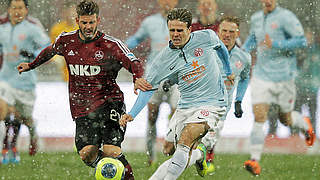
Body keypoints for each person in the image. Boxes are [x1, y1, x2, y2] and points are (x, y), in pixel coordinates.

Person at [17, 1, 143, 179]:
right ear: (77, 20)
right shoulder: (67, 40)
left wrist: (137, 78)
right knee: (86, 154)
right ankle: (114, 173)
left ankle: (126, 177)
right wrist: (31, 65)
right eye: (84, 23)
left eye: (91, 22)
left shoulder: (110, 44)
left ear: (98, 20)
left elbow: (134, 62)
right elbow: (50, 51)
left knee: (111, 150)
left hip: (110, 103)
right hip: (82, 108)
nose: (88, 27)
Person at [120, 8, 234, 179]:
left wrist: (228, 69)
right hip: (185, 106)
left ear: (189, 29)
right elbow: (149, 87)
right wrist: (132, 113)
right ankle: (200, 156)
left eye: (180, 30)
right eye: (172, 30)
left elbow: (221, 49)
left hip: (213, 103)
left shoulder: (206, 36)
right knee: (170, 150)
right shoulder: (163, 58)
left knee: (185, 140)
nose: (175, 34)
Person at [242, 0, 314, 175]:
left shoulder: (286, 17)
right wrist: (242, 52)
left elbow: (301, 41)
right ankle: (254, 160)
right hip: (261, 75)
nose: (267, 1)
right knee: (259, 116)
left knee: (285, 119)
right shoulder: (256, 18)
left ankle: (303, 123)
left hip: (284, 77)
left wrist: (276, 44)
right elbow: (253, 39)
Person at [125, 0, 179, 166]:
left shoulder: (181, 23)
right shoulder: (150, 22)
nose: (167, 3)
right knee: (152, 116)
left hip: (176, 75)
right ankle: (151, 156)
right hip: (154, 76)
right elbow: (135, 39)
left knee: (178, 112)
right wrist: (121, 50)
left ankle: (175, 152)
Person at [0, 0, 50, 164]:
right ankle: (4, 150)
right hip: (5, 79)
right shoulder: (2, 27)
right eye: (14, 8)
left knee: (25, 118)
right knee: (2, 111)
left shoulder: (32, 28)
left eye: (20, 8)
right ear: (9, 10)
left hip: (25, 81)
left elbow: (48, 46)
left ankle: (33, 133)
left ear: (26, 10)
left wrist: (32, 54)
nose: (17, 11)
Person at [200, 15, 251, 173]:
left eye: (231, 31)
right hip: (199, 101)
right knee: (193, 138)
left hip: (222, 108)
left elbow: (244, 78)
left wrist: (238, 101)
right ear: (218, 31)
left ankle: (206, 159)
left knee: (209, 138)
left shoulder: (244, 58)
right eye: (224, 31)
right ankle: (199, 159)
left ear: (237, 33)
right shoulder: (206, 52)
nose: (227, 35)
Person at [293, 29, 320, 138]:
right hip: (299, 87)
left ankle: (312, 135)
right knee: (296, 113)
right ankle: (294, 136)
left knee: (312, 114)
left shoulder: (316, 51)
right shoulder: (298, 51)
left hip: (312, 88)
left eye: (309, 36)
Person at [49, 1, 78, 82]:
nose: (72, 14)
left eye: (74, 11)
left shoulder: (83, 29)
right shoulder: (57, 29)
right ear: (64, 13)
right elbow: (51, 50)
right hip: (62, 76)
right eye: (69, 11)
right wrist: (56, 58)